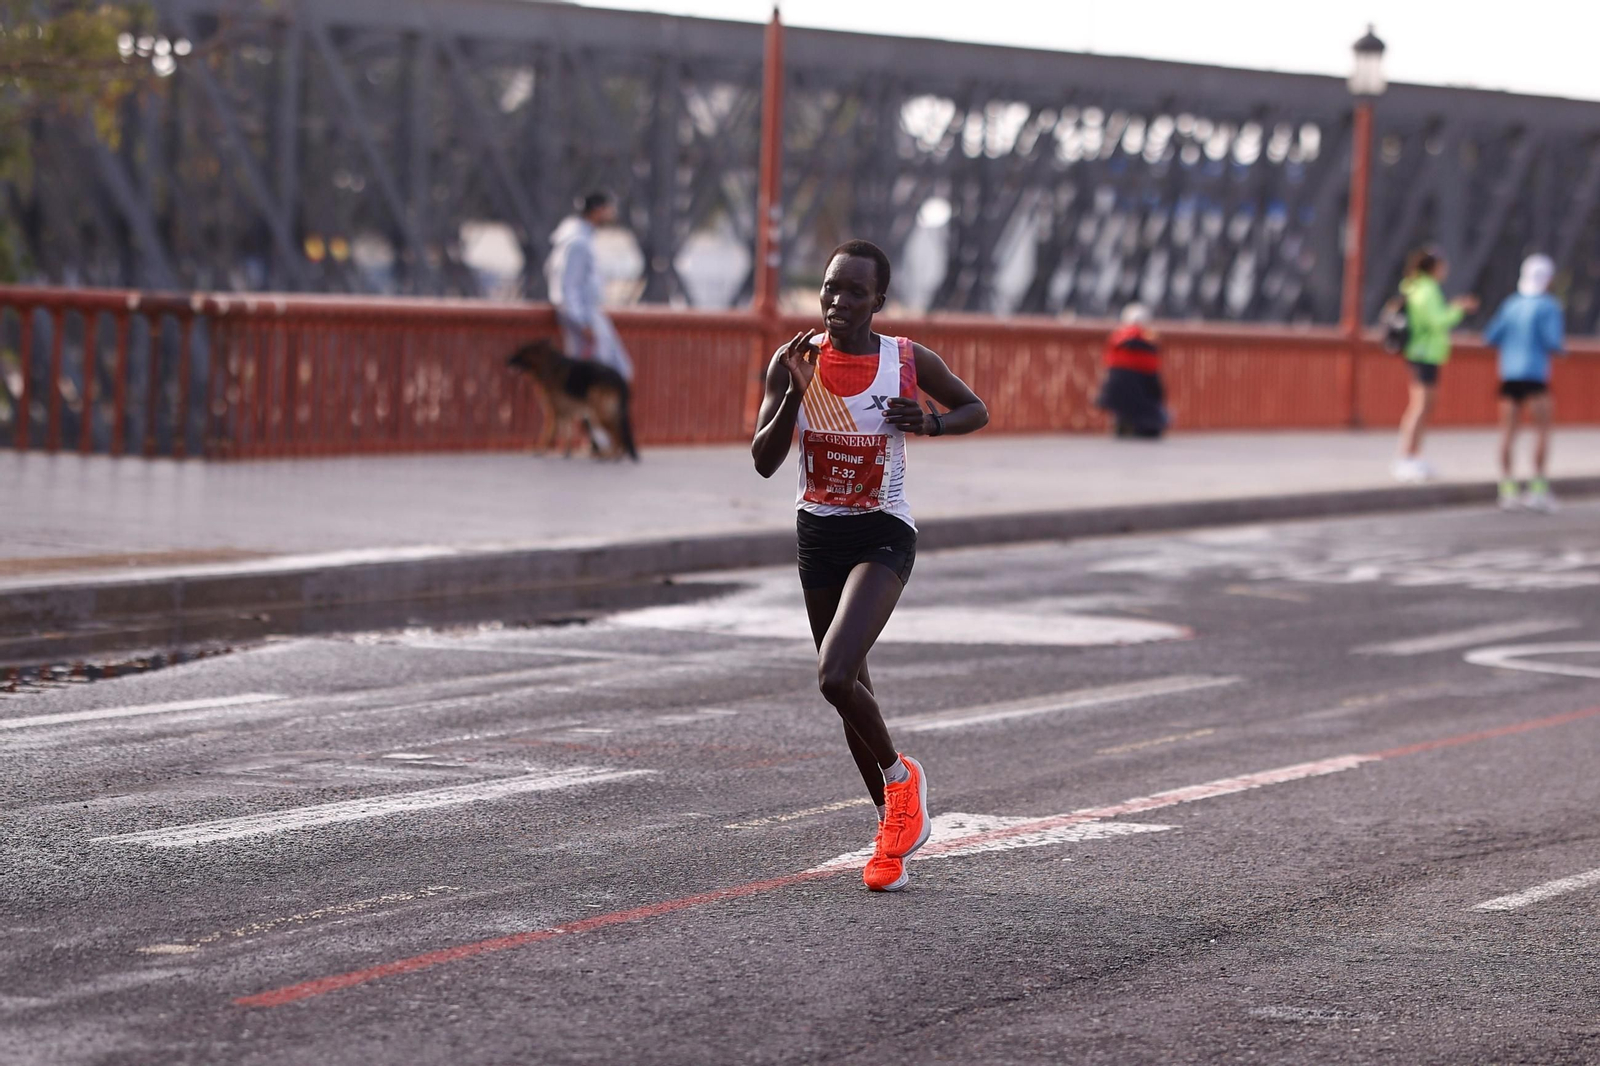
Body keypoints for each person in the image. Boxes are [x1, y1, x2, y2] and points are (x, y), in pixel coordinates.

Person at [750, 239, 989, 893]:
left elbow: (977, 409)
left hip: (883, 533)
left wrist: (932, 424)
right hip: (818, 535)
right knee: (855, 688)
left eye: (854, 291)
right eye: (830, 288)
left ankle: (900, 779)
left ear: (877, 301)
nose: (837, 301)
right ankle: (894, 830)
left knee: (832, 675)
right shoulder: (795, 361)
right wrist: (795, 396)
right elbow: (764, 460)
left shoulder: (906, 361)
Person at [1484, 254, 1565, 511]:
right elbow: (1553, 341)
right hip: (1535, 375)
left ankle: (1507, 489)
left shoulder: (1511, 304)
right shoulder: (1548, 306)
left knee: (1508, 432)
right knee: (1541, 430)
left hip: (1509, 374)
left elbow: (1491, 336)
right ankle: (1538, 489)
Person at [1393, 249, 1477, 483]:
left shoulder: (1414, 286)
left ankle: (1414, 455)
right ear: (1434, 268)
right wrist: (1459, 308)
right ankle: (1406, 457)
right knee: (1420, 406)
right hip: (1425, 352)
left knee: (1423, 405)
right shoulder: (1428, 289)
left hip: (1422, 352)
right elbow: (1438, 321)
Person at [545, 191, 634, 383]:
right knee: (602, 379)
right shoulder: (578, 243)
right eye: (608, 209)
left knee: (608, 376)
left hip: (589, 317)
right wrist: (581, 322)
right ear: (597, 211)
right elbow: (566, 288)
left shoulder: (580, 239)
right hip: (585, 319)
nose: (611, 214)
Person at [1095, 303, 1168, 439]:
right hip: (1142, 398)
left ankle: (1124, 423)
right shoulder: (1149, 343)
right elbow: (1154, 380)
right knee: (1151, 416)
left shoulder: (1117, 339)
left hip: (1116, 393)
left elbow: (1110, 368)